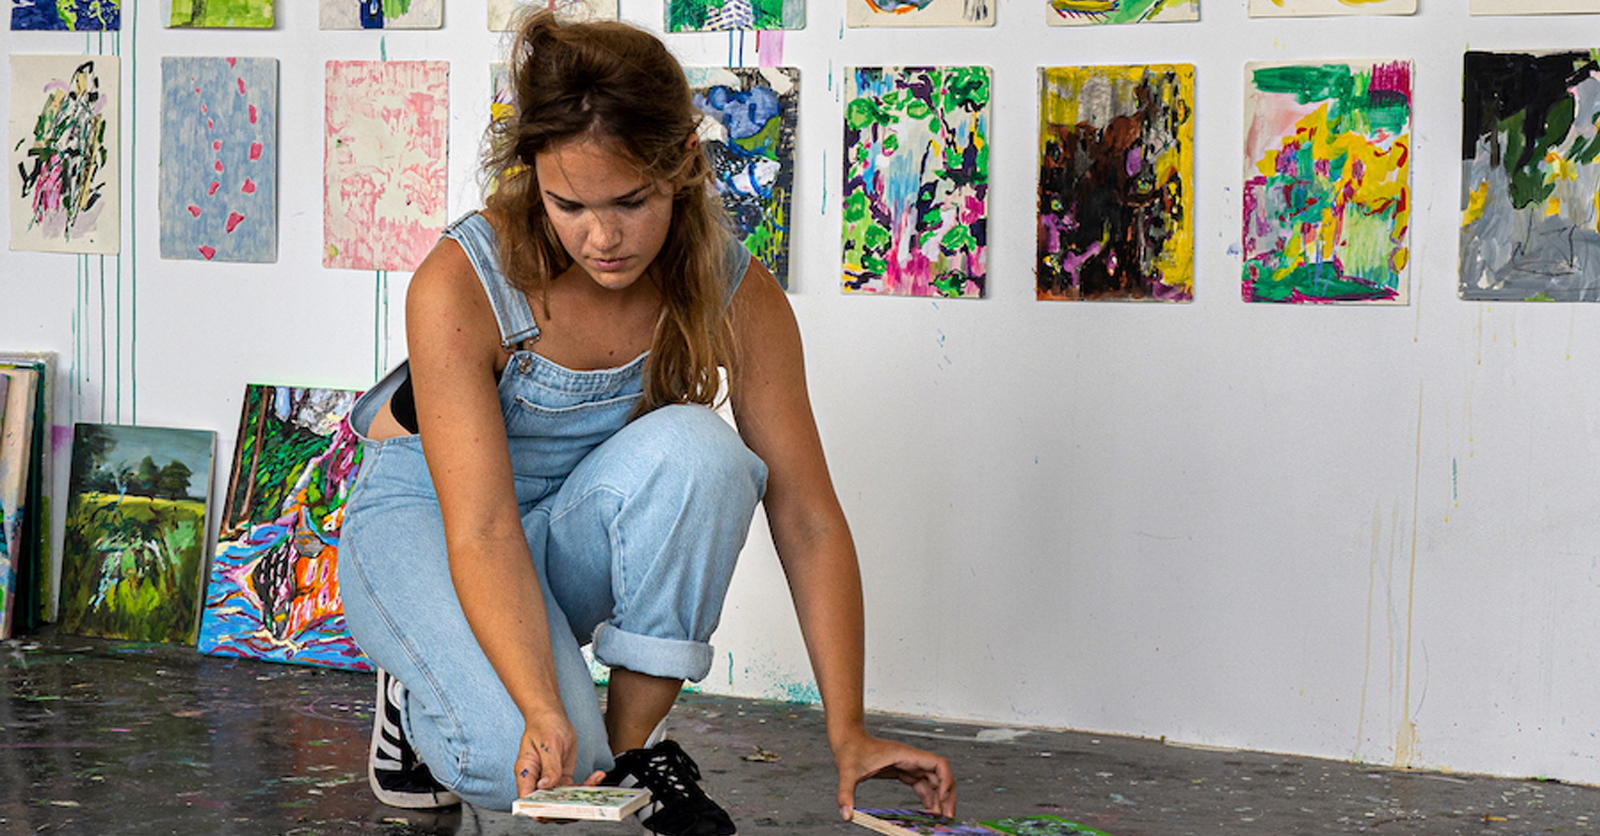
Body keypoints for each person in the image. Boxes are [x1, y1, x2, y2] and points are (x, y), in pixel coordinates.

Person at [338, 10, 956, 835]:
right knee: (507, 751)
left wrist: (847, 732)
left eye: (631, 201)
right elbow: (482, 527)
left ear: (684, 165)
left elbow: (807, 518)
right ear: (532, 177)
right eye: (569, 205)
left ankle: (622, 752)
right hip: (432, 524)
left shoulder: (733, 289)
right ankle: (419, 689)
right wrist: (535, 708)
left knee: (707, 456)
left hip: (559, 532)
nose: (602, 237)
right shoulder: (462, 282)